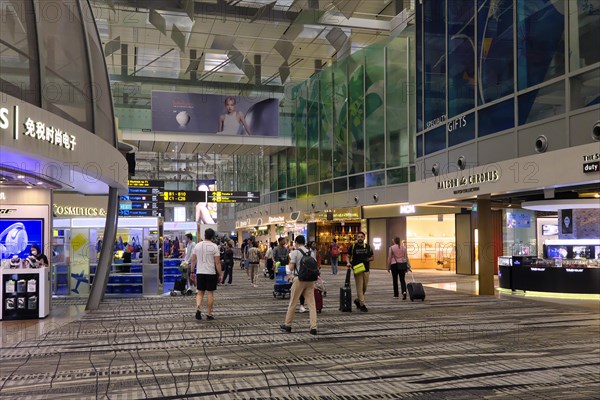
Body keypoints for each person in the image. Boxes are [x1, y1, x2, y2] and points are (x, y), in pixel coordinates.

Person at [279, 235, 318, 335]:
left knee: (293, 302)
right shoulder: (311, 253)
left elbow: (291, 268)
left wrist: (287, 269)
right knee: (312, 304)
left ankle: (288, 325)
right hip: (310, 280)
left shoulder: (295, 253)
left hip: (299, 279)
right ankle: (313, 327)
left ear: (296, 242)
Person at [191, 228, 222, 321]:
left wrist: (192, 272)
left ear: (204, 235)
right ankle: (209, 314)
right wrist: (220, 274)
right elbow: (217, 262)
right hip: (211, 273)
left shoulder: (197, 246)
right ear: (212, 237)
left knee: (200, 292)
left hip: (200, 272)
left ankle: (198, 309)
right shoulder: (215, 247)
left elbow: (193, 260)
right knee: (210, 293)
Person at [346, 231, 374, 312]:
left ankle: (358, 300)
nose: (360, 238)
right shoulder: (353, 246)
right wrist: (348, 263)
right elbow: (348, 256)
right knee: (359, 287)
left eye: (361, 237)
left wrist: (368, 259)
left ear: (364, 238)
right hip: (357, 269)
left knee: (364, 287)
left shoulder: (368, 247)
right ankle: (362, 305)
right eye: (358, 237)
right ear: (356, 238)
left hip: (366, 269)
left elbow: (372, 257)